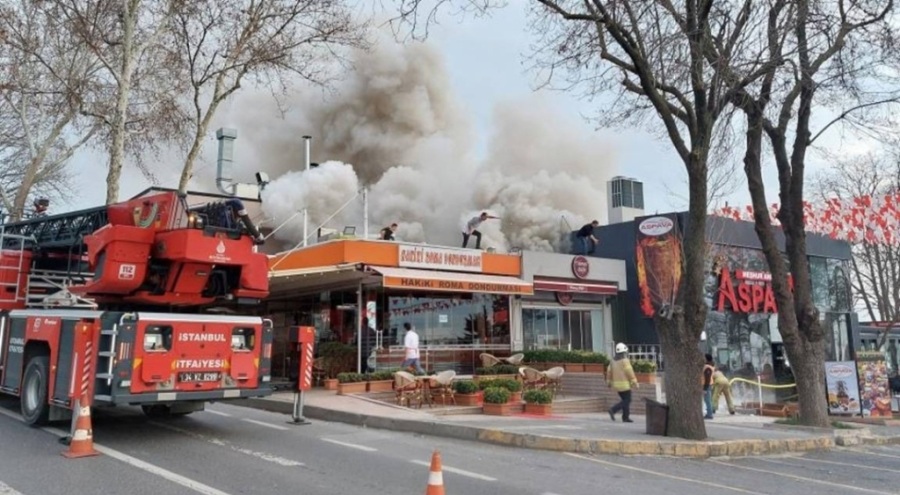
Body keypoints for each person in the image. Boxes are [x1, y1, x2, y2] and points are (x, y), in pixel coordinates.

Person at [607, 342, 638, 423]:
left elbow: (609, 372)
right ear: (624, 352)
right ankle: (613, 410)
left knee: (625, 400)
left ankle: (625, 417)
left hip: (617, 386)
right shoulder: (625, 361)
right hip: (625, 385)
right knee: (628, 400)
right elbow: (629, 372)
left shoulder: (612, 361)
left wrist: (609, 382)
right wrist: (635, 382)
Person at [703, 354, 715, 419]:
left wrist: (705, 388)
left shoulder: (707, 367)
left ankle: (709, 414)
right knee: (707, 400)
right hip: (708, 385)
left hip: (707, 385)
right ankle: (709, 413)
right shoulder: (709, 366)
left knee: (707, 400)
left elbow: (707, 378)